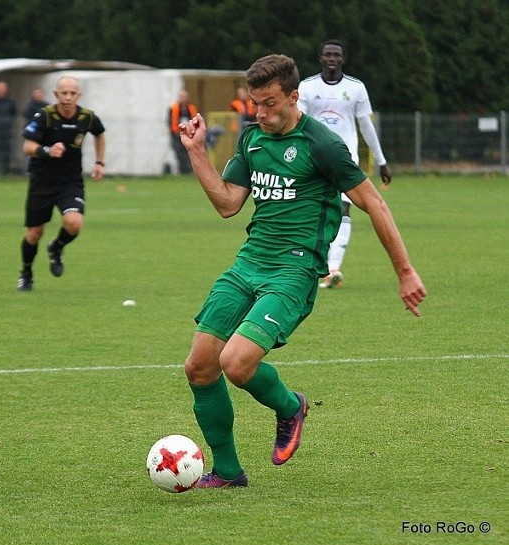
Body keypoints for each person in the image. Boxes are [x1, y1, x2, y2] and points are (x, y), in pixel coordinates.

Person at [178, 54, 426, 489]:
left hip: (293, 271)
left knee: (235, 364)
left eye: (270, 103)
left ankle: (291, 406)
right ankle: (229, 472)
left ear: (295, 97)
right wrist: (197, 153)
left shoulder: (323, 145)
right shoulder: (252, 138)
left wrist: (405, 272)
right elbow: (227, 204)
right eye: (256, 103)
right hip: (248, 263)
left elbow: (375, 203)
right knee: (199, 367)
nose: (261, 113)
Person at [298, 39, 392, 288]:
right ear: (320, 57)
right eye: (327, 54)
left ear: (343, 59)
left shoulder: (356, 88)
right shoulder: (307, 87)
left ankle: (333, 268)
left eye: (336, 55)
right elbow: (297, 124)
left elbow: (366, 126)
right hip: (313, 157)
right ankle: (308, 264)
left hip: (345, 158)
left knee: (343, 209)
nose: (331, 58)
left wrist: (381, 161)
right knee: (311, 210)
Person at [18, 76, 106, 291]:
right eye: (63, 93)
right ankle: (26, 272)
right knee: (34, 233)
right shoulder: (45, 116)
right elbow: (27, 146)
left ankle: (56, 247)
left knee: (74, 222)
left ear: (78, 95)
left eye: (72, 93)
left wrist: (99, 162)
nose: (67, 97)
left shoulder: (86, 117)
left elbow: (100, 133)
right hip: (42, 181)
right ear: (56, 95)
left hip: (70, 181)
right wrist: (47, 150)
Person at [167, 90, 197, 174]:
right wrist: (174, 132)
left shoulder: (191, 108)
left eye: (184, 97)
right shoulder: (174, 108)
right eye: (181, 97)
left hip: (188, 134)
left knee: (189, 152)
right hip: (177, 134)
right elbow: (170, 121)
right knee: (179, 153)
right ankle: (183, 171)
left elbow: (194, 119)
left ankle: (189, 171)